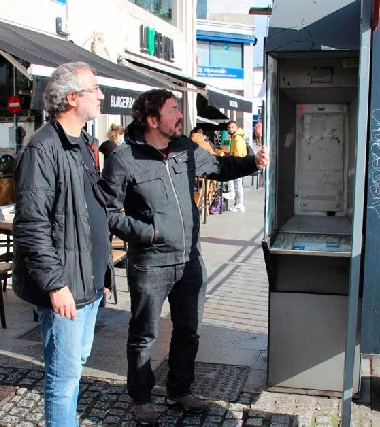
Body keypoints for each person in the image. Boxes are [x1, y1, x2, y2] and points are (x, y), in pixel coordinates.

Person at [101, 89, 268, 424]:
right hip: (150, 263)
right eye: (174, 110)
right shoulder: (124, 158)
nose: (181, 116)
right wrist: (147, 233)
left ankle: (180, 389)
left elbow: (219, 167)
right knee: (144, 334)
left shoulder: (185, 148)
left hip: (190, 259)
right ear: (152, 120)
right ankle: (141, 396)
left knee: (189, 330)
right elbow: (108, 211)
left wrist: (252, 162)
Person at [11, 62, 114, 427]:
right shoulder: (42, 148)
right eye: (94, 89)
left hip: (88, 280)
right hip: (66, 284)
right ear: (72, 98)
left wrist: (103, 272)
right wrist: (55, 284)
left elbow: (89, 212)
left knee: (76, 364)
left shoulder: (85, 143)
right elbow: (32, 224)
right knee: (64, 376)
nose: (101, 95)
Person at [222, 120, 249, 212]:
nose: (230, 129)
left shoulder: (237, 138)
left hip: (238, 163)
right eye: (229, 127)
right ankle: (238, 203)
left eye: (232, 127)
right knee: (237, 184)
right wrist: (229, 154)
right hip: (238, 162)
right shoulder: (234, 137)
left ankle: (238, 202)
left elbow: (238, 153)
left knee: (237, 184)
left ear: (236, 127)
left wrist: (232, 158)